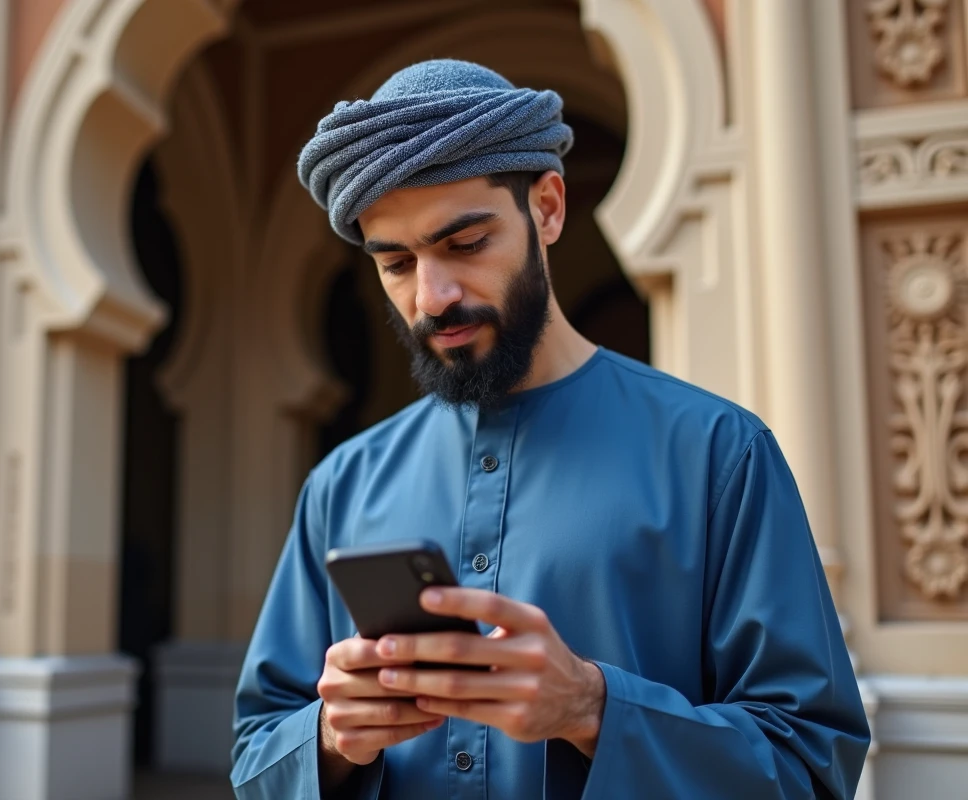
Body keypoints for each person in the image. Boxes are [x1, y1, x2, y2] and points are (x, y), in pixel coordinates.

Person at [229, 59, 870, 799]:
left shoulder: (720, 455)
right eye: (398, 264)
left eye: (466, 245)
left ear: (549, 208)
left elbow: (812, 767)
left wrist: (593, 708)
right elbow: (255, 757)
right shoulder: (342, 483)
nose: (432, 297)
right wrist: (333, 737)